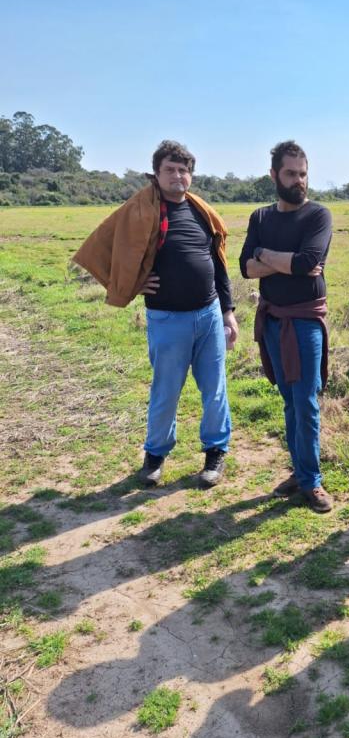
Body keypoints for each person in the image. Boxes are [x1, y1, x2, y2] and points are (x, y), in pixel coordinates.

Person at [73, 140, 238, 488]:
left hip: (208, 315)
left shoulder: (201, 212)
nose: (178, 175)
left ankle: (215, 452)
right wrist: (131, 282)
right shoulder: (141, 211)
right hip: (167, 319)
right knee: (165, 391)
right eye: (170, 169)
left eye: (184, 170)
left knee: (215, 389)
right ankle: (155, 455)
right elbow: (111, 246)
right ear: (157, 173)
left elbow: (218, 266)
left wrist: (228, 312)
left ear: (190, 175)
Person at [239, 140, 333, 513]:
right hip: (273, 319)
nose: (299, 181)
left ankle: (312, 482)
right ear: (274, 175)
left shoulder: (318, 216)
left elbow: (308, 261)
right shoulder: (260, 218)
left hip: (306, 319)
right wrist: (275, 258)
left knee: (306, 401)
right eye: (291, 173)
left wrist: (267, 256)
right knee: (288, 400)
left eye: (303, 173)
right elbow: (246, 267)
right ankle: (300, 470)